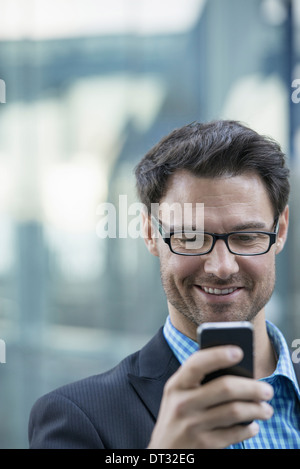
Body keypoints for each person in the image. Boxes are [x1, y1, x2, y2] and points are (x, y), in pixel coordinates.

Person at [28, 120, 300, 449]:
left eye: (246, 237)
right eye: (190, 237)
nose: (222, 267)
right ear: (149, 233)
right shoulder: (76, 418)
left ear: (280, 230)